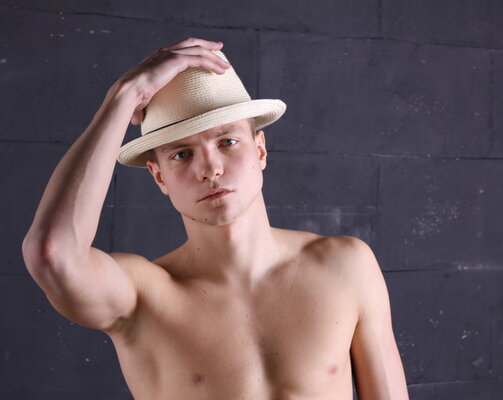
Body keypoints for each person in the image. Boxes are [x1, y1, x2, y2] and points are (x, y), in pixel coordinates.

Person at [21, 37, 410, 399]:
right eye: (181, 154)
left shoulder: (345, 266)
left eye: (228, 141)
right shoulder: (144, 297)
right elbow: (53, 253)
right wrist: (125, 96)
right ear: (159, 177)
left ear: (260, 149)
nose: (210, 169)